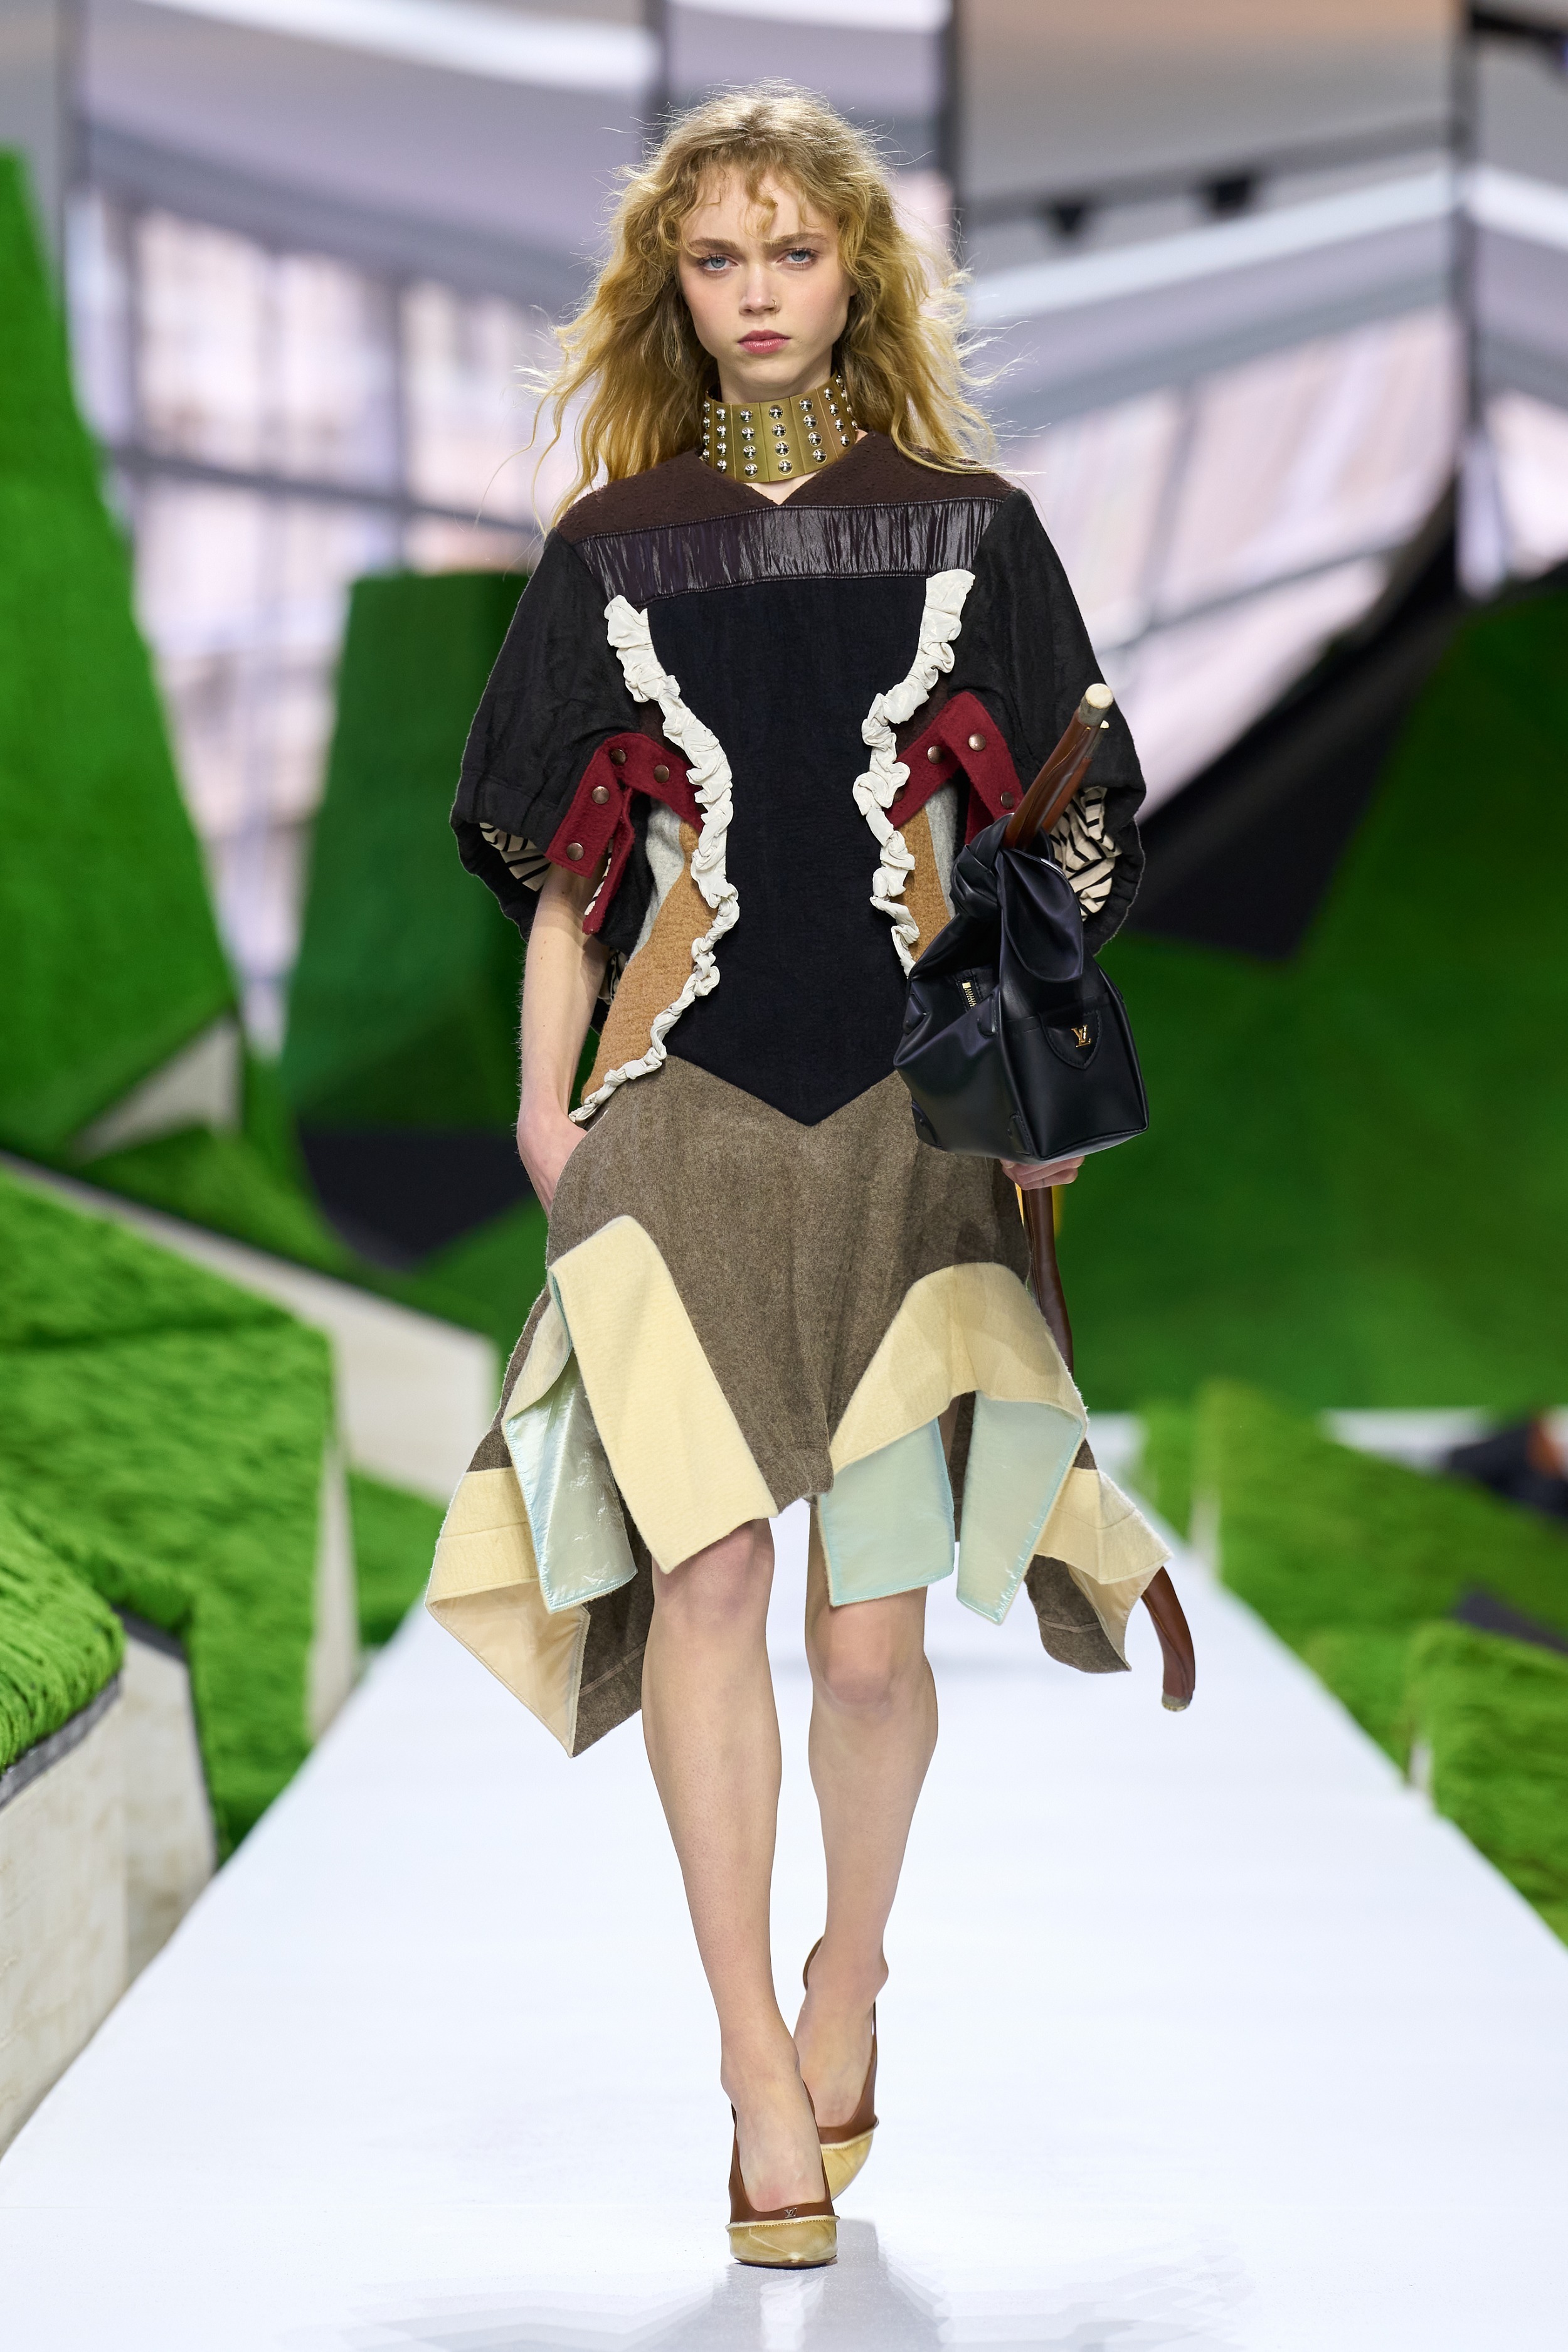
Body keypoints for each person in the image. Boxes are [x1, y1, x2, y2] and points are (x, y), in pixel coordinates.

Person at [427, 85, 1172, 2270]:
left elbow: (1075, 824)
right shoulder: (611, 546)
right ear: (671, 287)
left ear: (858, 273)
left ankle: (852, 1973)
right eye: (716, 258)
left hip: (908, 1129)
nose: (755, 294)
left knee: (863, 1648)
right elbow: (564, 870)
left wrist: (1020, 1037)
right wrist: (547, 1109)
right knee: (708, 1589)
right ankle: (756, 2065)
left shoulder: (972, 531)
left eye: (793, 251)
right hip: (674, 1116)